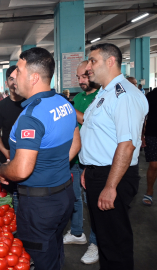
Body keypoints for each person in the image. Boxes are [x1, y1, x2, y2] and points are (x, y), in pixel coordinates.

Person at [0, 47, 81, 270]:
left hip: (40, 206)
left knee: (42, 259)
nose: (14, 75)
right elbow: (76, 143)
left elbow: (22, 170)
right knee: (54, 251)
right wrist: (54, 167)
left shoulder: (31, 116)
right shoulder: (64, 104)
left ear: (34, 78)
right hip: (64, 195)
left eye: (19, 69)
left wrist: (3, 170)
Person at [80, 43, 148, 269]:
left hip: (113, 176)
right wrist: (89, 169)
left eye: (93, 61)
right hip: (99, 174)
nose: (89, 67)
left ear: (110, 61)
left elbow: (126, 145)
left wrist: (110, 186)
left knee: (115, 242)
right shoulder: (105, 92)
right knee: (105, 239)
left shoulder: (123, 95)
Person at [63, 60, 100, 265]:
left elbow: (87, 120)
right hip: (76, 156)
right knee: (75, 197)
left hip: (94, 159)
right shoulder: (78, 97)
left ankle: (95, 242)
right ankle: (78, 233)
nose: (81, 81)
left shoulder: (100, 97)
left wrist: (67, 109)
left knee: (93, 203)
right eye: (78, 77)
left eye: (84, 76)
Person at [0, 65, 24, 213]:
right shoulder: (1, 106)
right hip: (9, 157)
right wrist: (6, 152)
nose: (14, 82)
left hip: (32, 157)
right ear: (6, 83)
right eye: (11, 79)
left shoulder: (30, 103)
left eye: (17, 78)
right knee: (14, 195)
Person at [142, 87, 157, 205]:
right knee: (154, 165)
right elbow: (143, 117)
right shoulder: (151, 96)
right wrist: (141, 135)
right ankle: (149, 191)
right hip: (152, 134)